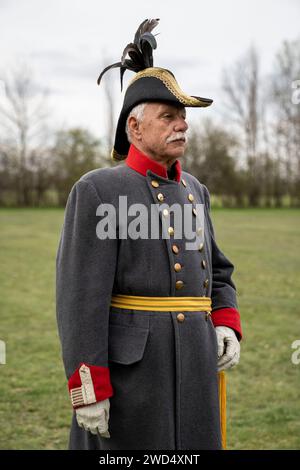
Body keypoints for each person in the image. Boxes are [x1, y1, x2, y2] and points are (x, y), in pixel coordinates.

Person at [56, 19, 242, 451]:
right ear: (135, 128)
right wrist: (89, 386)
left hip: (196, 367)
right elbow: (80, 298)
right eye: (168, 117)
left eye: (183, 117)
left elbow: (218, 271)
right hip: (134, 376)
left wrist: (226, 322)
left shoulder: (196, 190)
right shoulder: (98, 190)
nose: (183, 126)